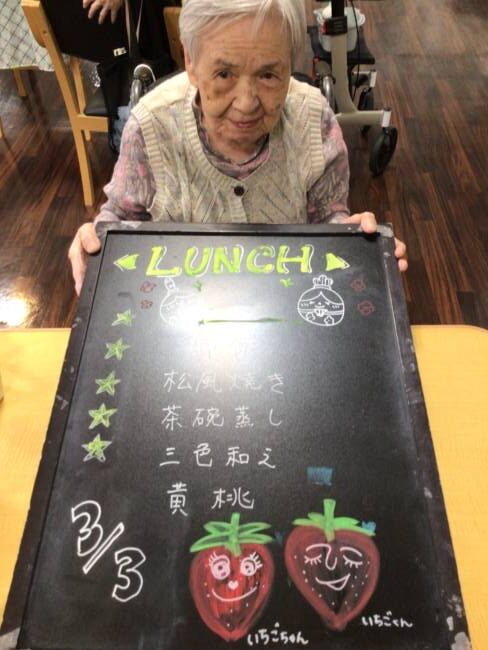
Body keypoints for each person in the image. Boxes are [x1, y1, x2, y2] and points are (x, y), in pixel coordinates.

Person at [69, 0, 407, 294]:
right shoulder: (151, 126)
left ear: (290, 66)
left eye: (268, 75)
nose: (246, 104)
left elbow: (328, 217)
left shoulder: (314, 119)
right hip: (182, 305)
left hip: (285, 302)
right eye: (224, 74)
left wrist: (355, 244)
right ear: (190, 61)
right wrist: (98, 245)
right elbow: (123, 218)